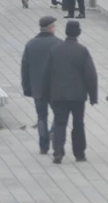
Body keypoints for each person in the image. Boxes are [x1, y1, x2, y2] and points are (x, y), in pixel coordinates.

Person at [40, 20, 99, 164]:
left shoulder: (55, 50)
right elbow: (90, 75)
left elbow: (46, 74)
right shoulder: (82, 51)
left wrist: (46, 94)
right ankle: (79, 153)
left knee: (60, 123)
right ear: (78, 33)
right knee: (78, 123)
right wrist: (93, 96)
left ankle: (58, 152)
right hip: (78, 96)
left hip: (58, 95)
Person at [21, 16, 62, 155]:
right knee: (59, 114)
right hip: (55, 88)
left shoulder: (31, 44)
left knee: (41, 117)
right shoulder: (58, 44)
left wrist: (26, 87)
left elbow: (25, 68)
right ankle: (53, 132)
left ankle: (43, 146)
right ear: (50, 28)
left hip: (37, 88)